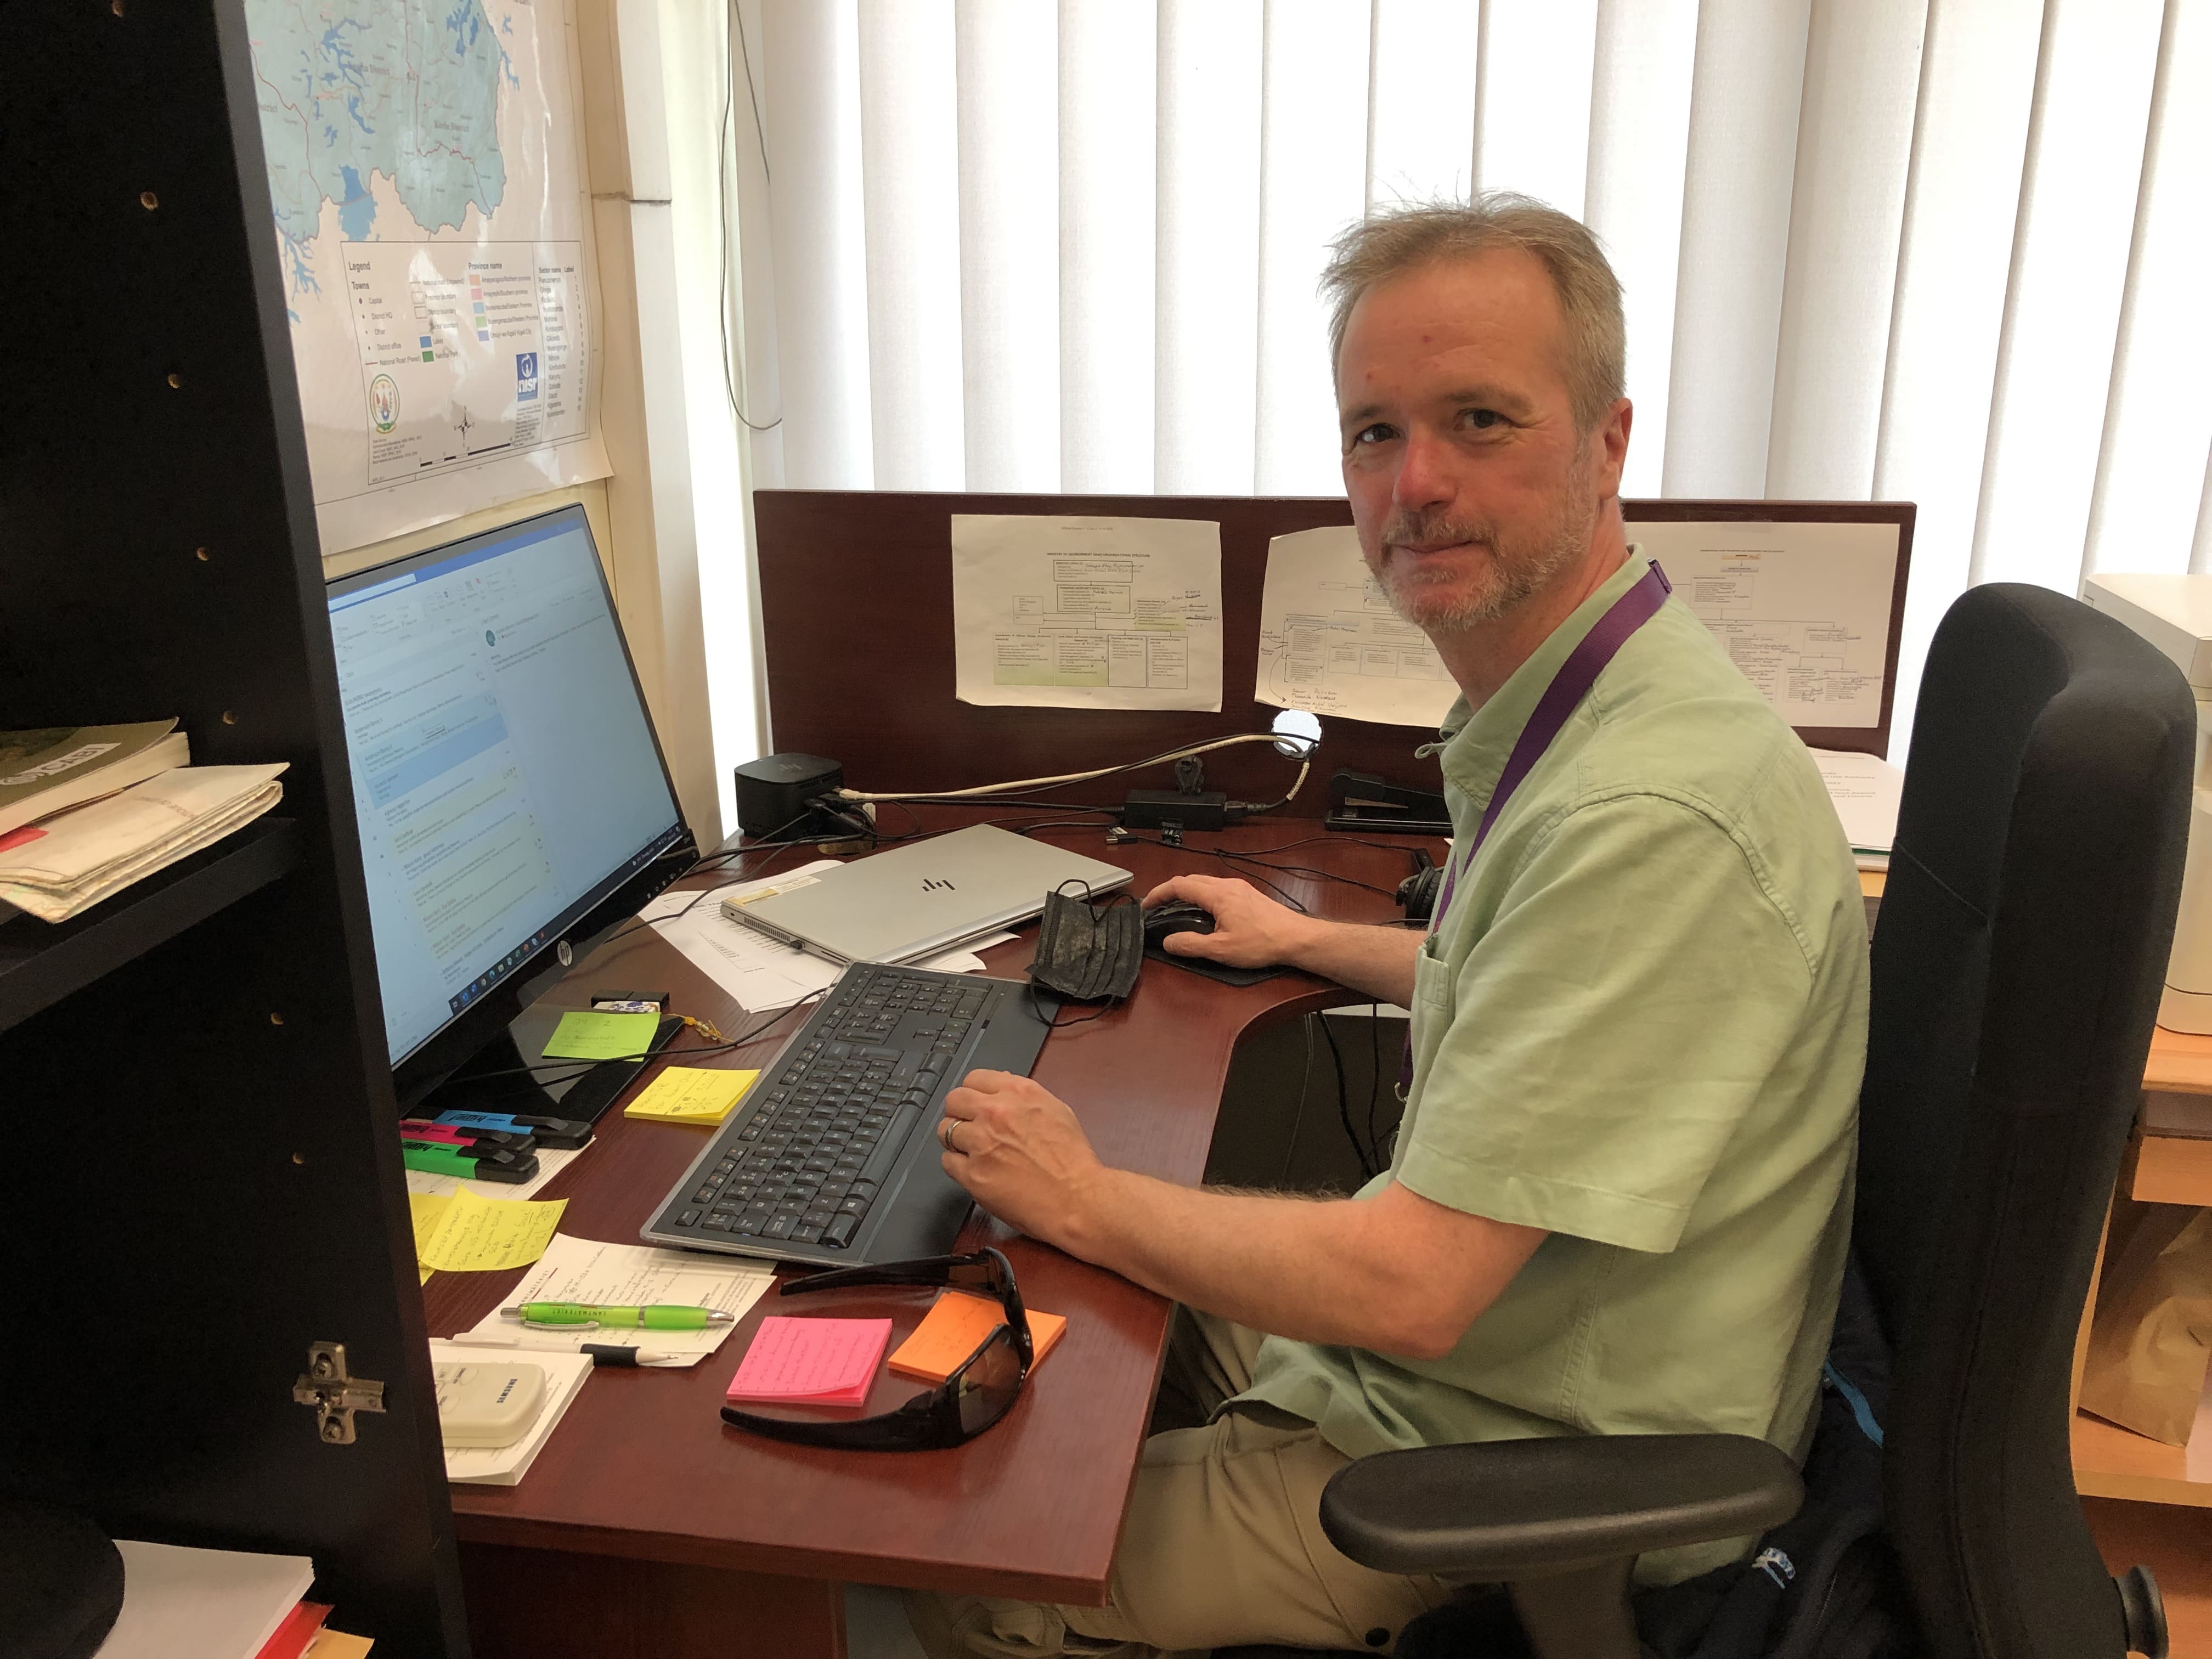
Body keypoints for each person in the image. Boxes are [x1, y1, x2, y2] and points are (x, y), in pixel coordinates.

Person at [906, 195, 1869, 1659]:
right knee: (1052, 1324)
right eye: (1374, 432)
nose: (1412, 483)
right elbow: (1546, 994)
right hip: (1497, 1358)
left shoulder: (1648, 810)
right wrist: (1315, 946)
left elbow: (1414, 1291)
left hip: (1528, 1445)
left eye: (1480, 420)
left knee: (969, 1560)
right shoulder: (1581, 700)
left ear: (1610, 442)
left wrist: (1089, 1195)